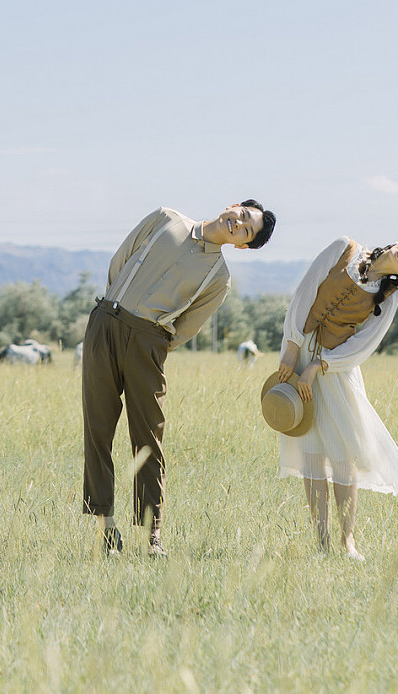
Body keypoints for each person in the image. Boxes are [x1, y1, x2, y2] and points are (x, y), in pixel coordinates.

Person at [83, 199, 276, 559]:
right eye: (243, 216)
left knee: (148, 437)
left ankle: (150, 536)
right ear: (234, 206)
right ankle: (105, 528)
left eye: (247, 231)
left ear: (243, 246)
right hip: (105, 323)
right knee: (97, 428)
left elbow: (188, 326)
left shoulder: (218, 277)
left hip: (149, 341)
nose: (239, 224)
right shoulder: (165, 218)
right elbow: (120, 261)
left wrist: (150, 340)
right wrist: (115, 310)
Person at [274, 235, 398, 561]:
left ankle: (346, 541)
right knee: (310, 452)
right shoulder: (343, 248)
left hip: (336, 369)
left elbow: (364, 344)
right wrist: (292, 347)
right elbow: (304, 295)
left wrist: (320, 366)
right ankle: (321, 542)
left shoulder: (389, 297)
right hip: (299, 353)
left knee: (342, 455)